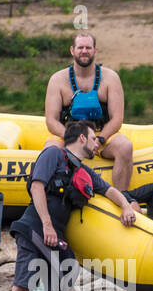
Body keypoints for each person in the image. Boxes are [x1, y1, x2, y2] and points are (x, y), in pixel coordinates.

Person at [5, 121, 138, 291]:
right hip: (36, 230)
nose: (98, 142)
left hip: (56, 237)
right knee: (22, 290)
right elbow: (36, 187)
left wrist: (126, 206)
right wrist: (46, 225)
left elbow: (110, 190)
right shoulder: (53, 153)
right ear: (80, 138)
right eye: (94, 138)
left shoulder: (84, 170)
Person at [44, 32, 135, 190]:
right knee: (50, 150)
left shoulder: (111, 78)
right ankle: (54, 197)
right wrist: (71, 138)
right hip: (69, 135)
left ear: (95, 50)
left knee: (125, 146)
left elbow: (117, 119)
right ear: (72, 50)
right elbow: (51, 120)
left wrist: (99, 139)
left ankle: (123, 196)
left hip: (101, 136)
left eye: (88, 47)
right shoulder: (57, 80)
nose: (84, 51)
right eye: (80, 47)